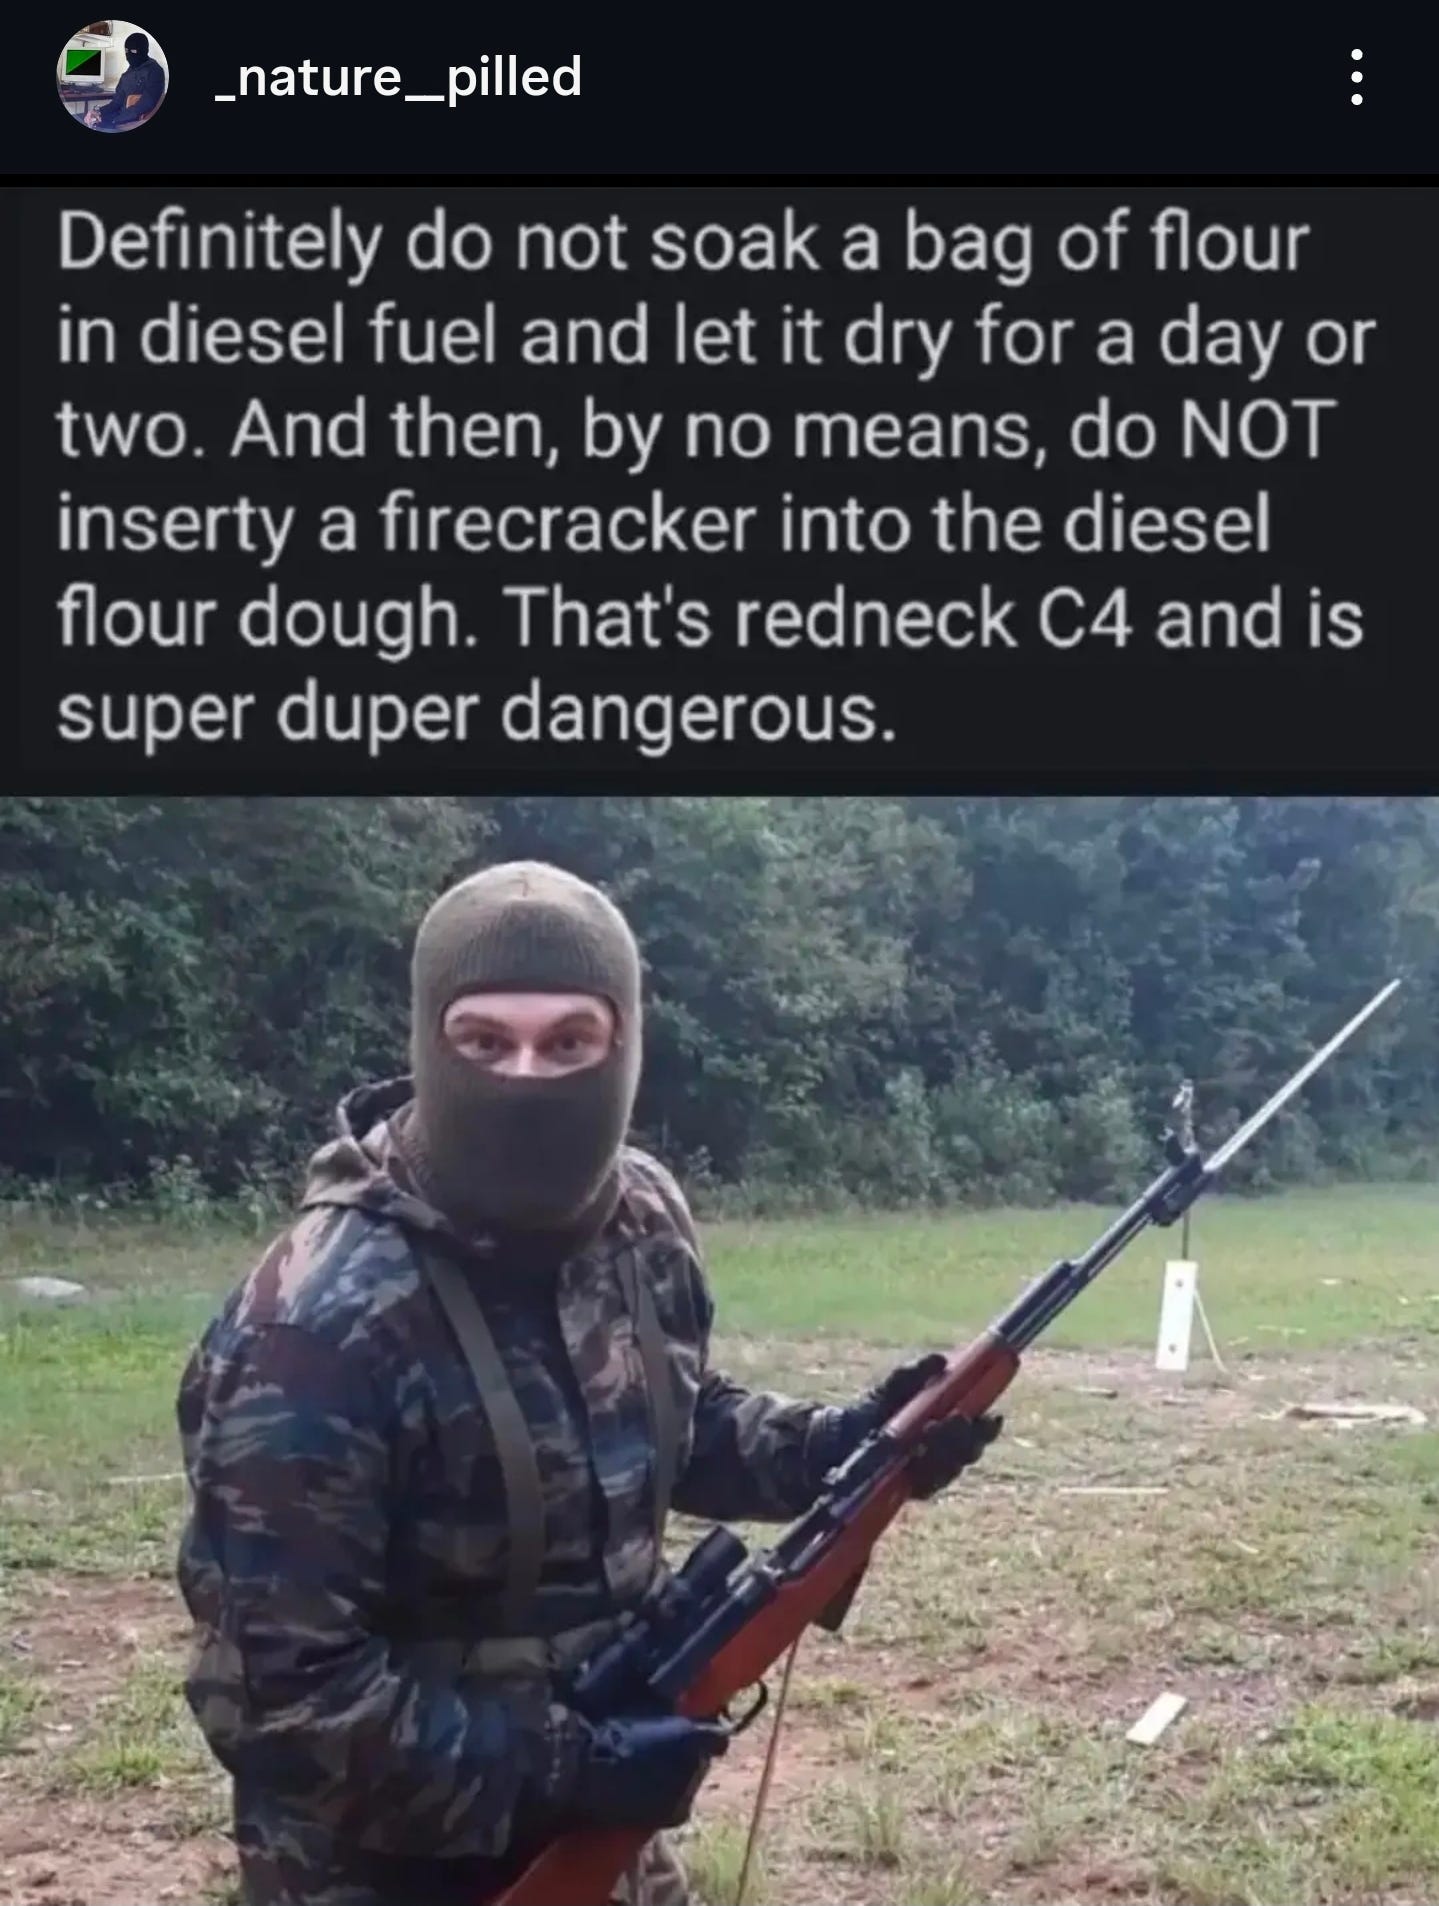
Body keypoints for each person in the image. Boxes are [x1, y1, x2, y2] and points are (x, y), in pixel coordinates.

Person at [176, 861, 1002, 1906]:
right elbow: (279, 1700)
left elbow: (661, 1418)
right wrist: (569, 1766)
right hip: (386, 1866)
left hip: (610, 1824)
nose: (526, 1079)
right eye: (484, 1042)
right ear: (428, 1043)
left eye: (570, 1042)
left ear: (626, 1047)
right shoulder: (314, 1324)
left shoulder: (639, 1218)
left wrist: (837, 1448)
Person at [84, 32, 164, 130]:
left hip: (131, 122)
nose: (129, 54)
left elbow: (145, 105)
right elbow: (116, 103)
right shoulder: (128, 74)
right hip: (118, 117)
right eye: (126, 51)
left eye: (133, 51)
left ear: (144, 50)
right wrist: (98, 112)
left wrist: (114, 120)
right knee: (84, 117)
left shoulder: (155, 71)